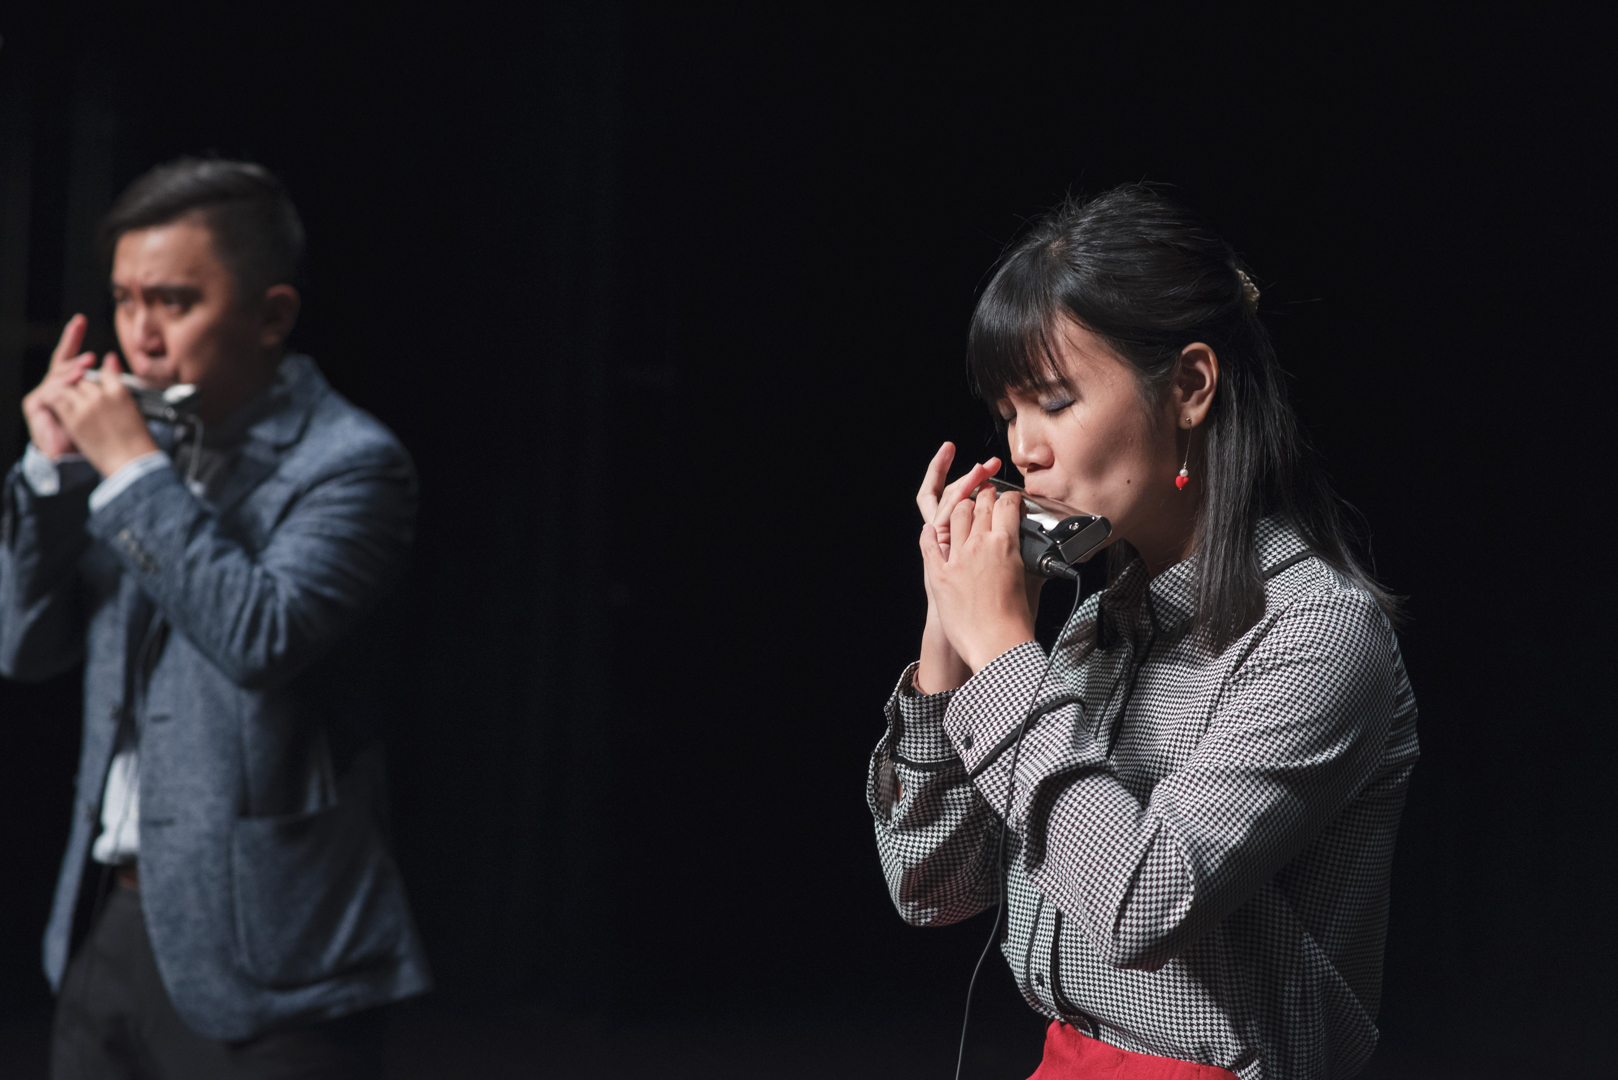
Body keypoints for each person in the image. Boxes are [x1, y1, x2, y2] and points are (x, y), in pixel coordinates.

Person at [868, 185, 1418, 1079]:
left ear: (1191, 387)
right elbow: (932, 887)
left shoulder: (1318, 633)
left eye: (1054, 400)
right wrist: (949, 624)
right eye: (1009, 413)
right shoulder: (1097, 628)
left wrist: (1003, 651)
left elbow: (1142, 907)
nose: (1024, 449)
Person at [0, 158, 431, 1079]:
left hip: (273, 948)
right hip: (105, 921)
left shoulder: (352, 464)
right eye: (125, 300)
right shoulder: (127, 448)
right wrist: (54, 475)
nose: (140, 335)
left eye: (175, 301)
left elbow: (257, 639)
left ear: (271, 315)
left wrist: (132, 475)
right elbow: (22, 648)